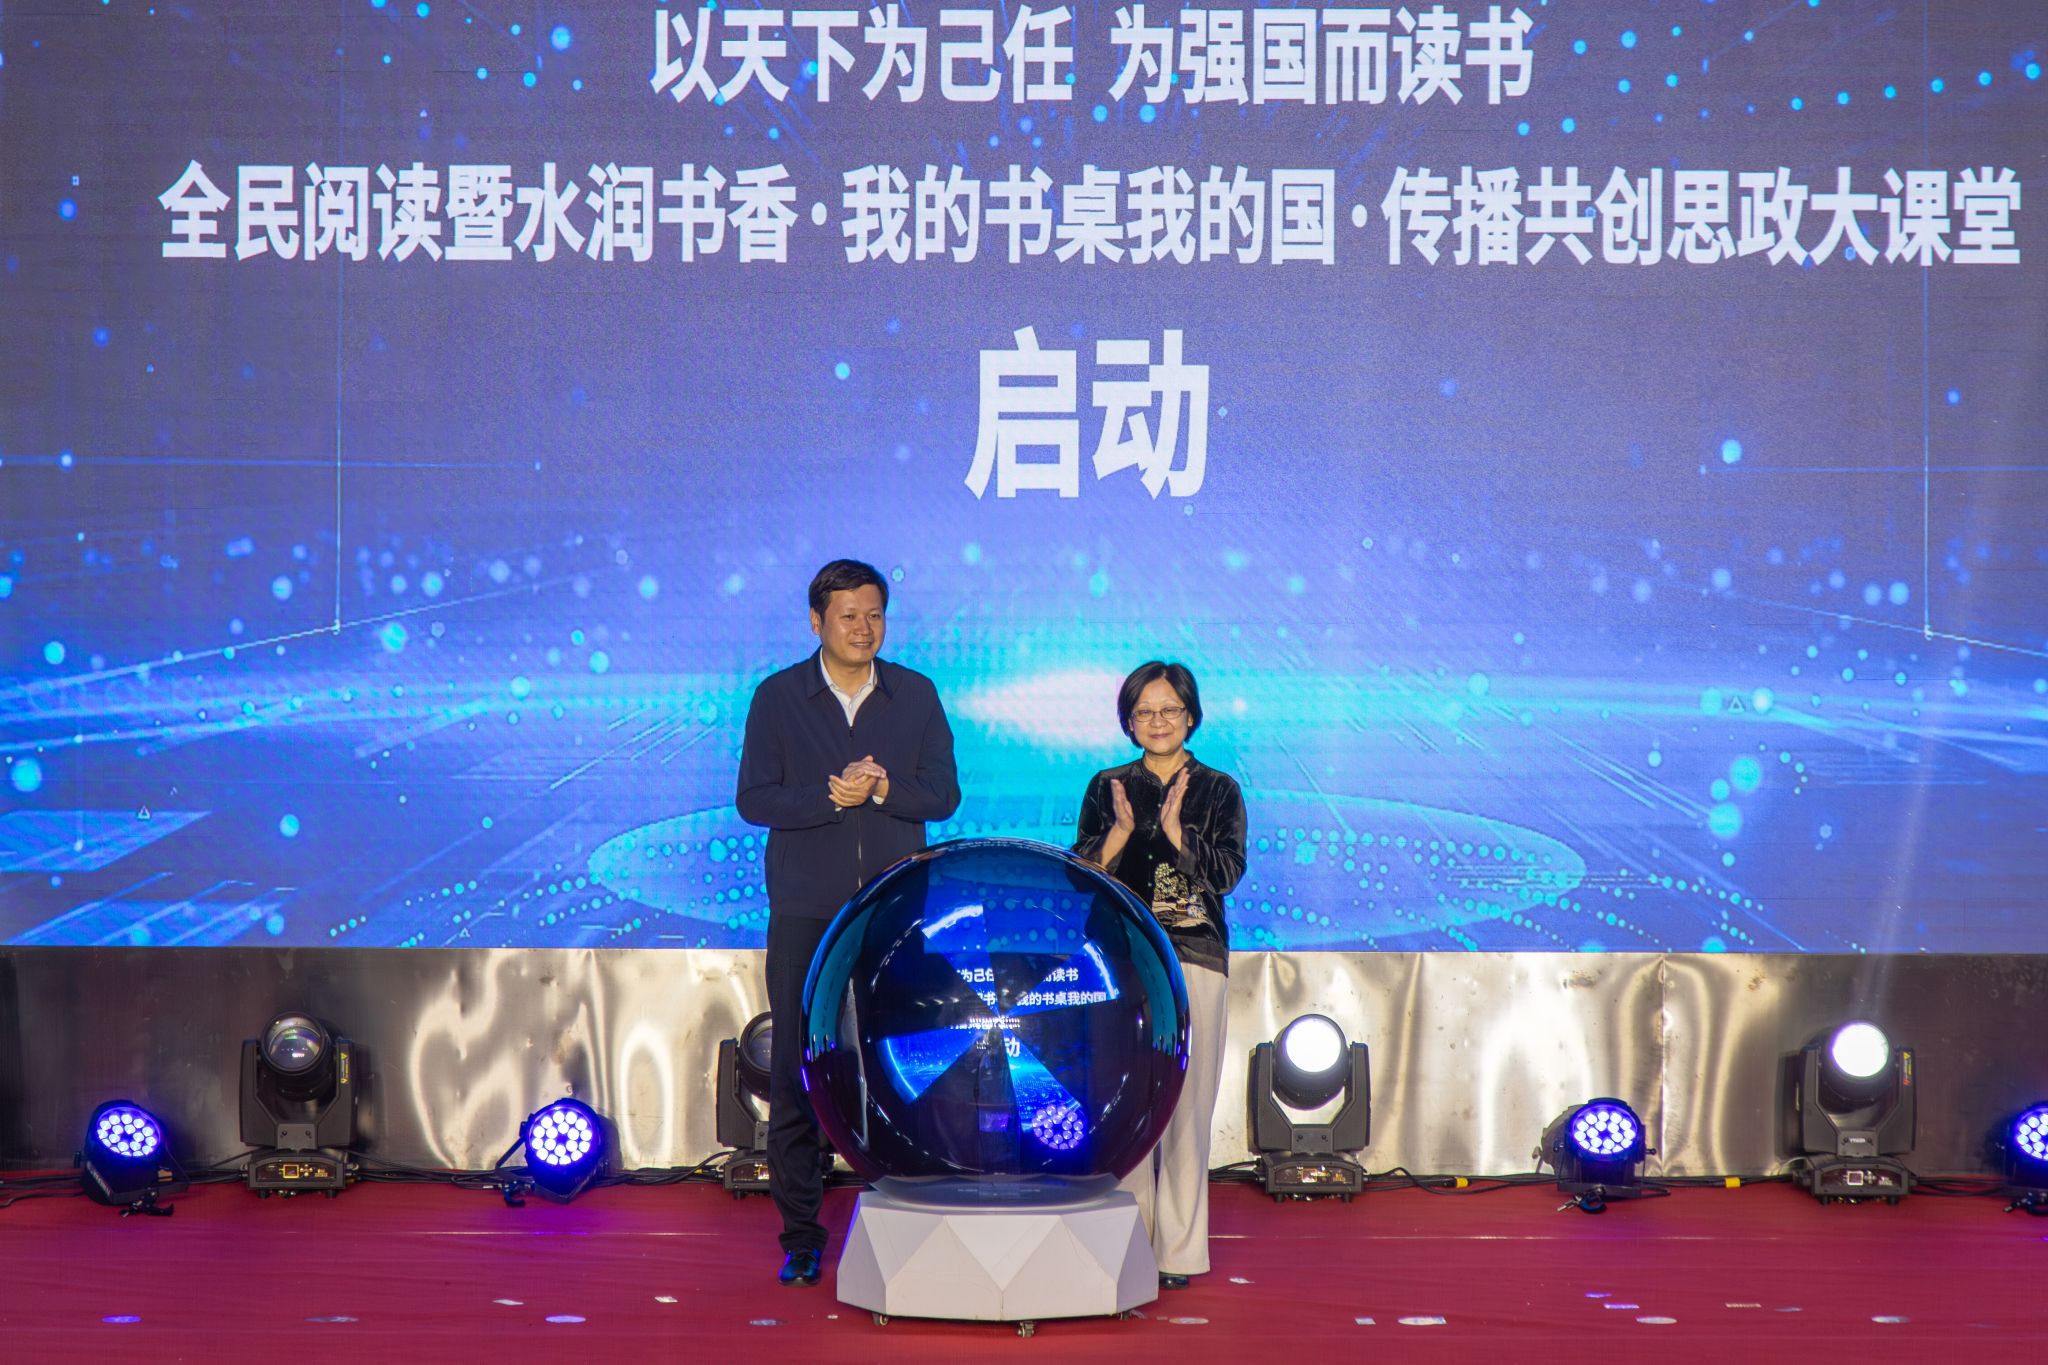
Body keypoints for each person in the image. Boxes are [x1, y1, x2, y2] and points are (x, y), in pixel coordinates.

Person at [735, 559, 960, 1286]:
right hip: (805, 910)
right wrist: (830, 798)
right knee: (798, 1067)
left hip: (895, 910)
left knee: (906, 1061)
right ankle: (801, 1234)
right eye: (848, 616)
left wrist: (887, 790)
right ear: (816, 621)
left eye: (874, 615)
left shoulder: (915, 693)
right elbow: (754, 799)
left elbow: (944, 795)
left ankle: (909, 1214)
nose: (863, 628)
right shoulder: (779, 696)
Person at [1073, 661, 1245, 1290]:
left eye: (1170, 709)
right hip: (1121, 958)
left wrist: (1177, 835)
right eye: (1144, 712)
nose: (1158, 721)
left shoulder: (1219, 789)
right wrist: (1120, 833)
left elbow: (1226, 875)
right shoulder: (1108, 785)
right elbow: (1079, 875)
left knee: (1188, 1104)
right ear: (1128, 721)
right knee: (1126, 1101)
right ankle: (1128, 1240)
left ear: (1191, 716)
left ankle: (1179, 1252)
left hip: (1194, 955)